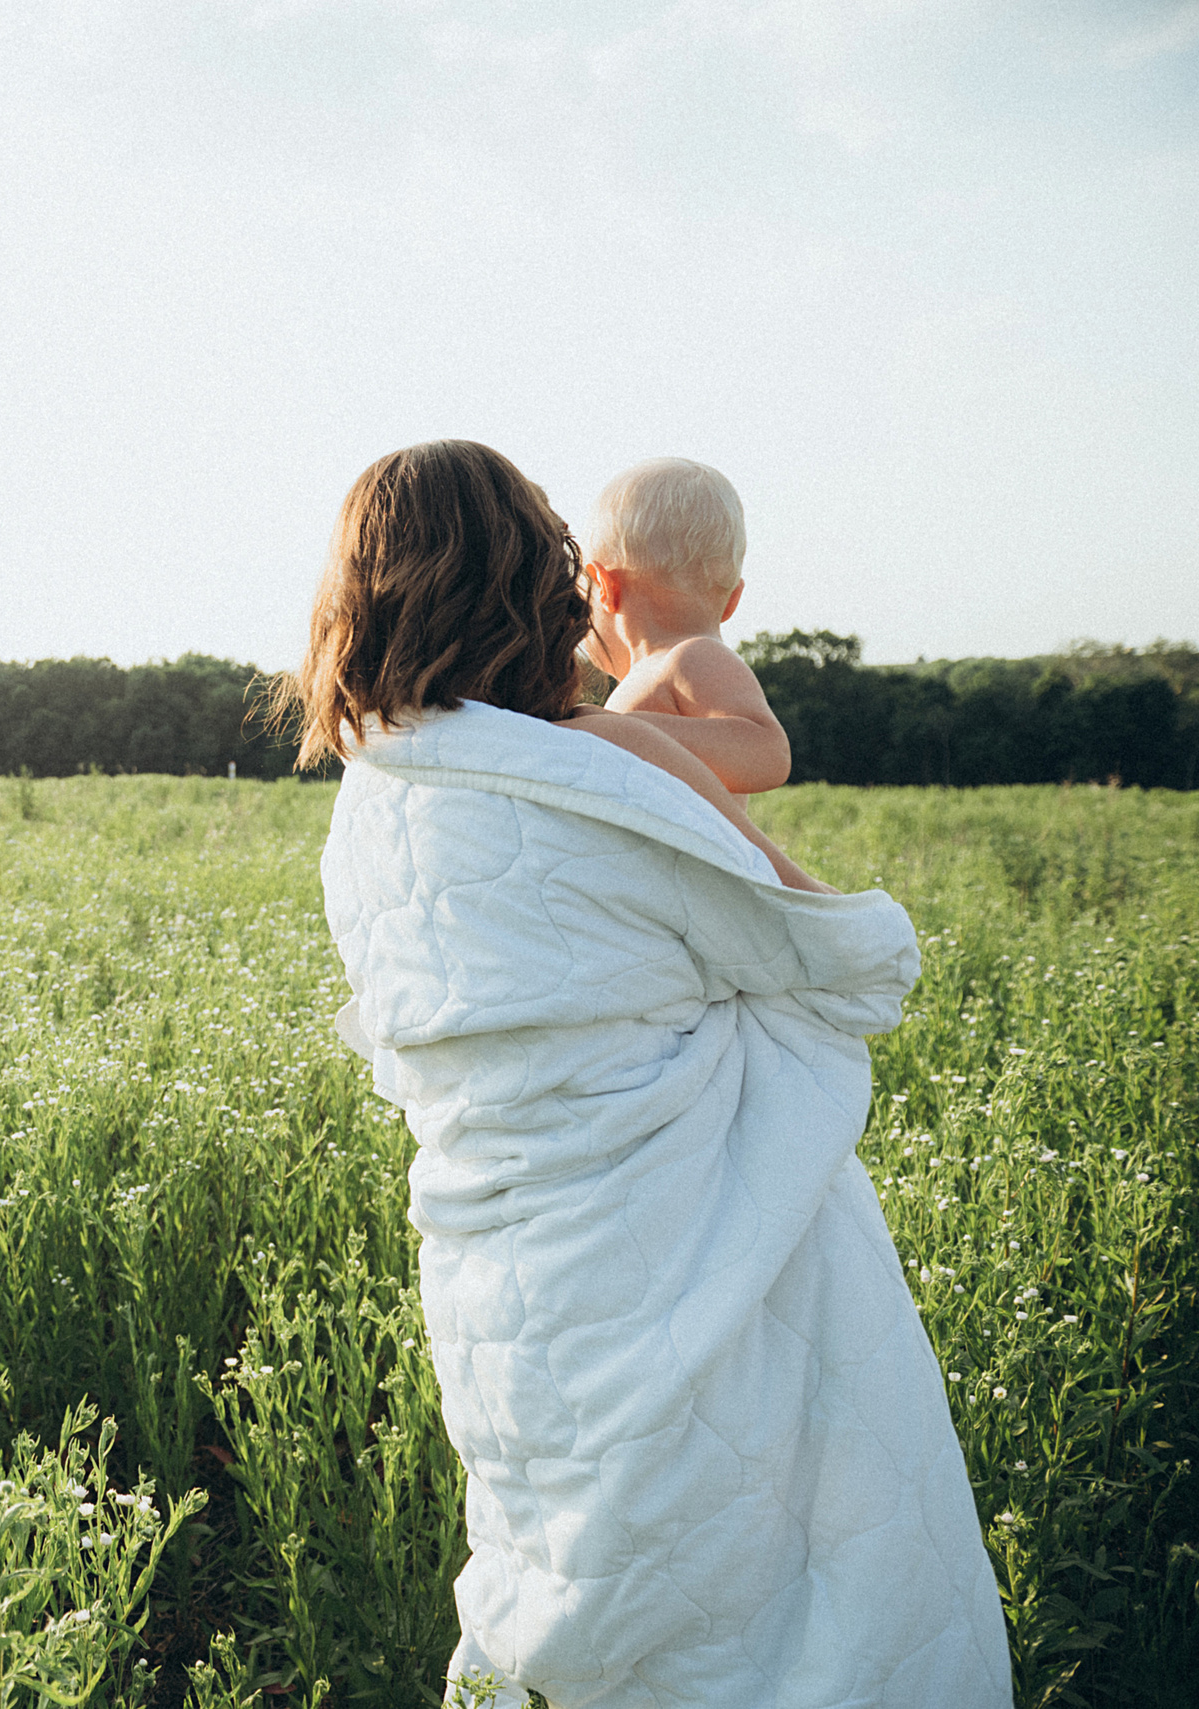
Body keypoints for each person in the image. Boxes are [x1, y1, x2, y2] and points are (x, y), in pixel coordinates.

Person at [288, 440, 1009, 1707]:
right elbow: (849, 963)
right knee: (746, 1596)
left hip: (496, 1269)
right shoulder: (591, 774)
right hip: (677, 1256)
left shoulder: (372, 794)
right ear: (540, 579)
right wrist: (668, 764)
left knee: (560, 1555)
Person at [575, 457, 790, 804]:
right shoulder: (652, 674)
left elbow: (769, 754)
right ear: (732, 600)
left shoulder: (691, 656)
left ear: (604, 587)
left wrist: (618, 730)